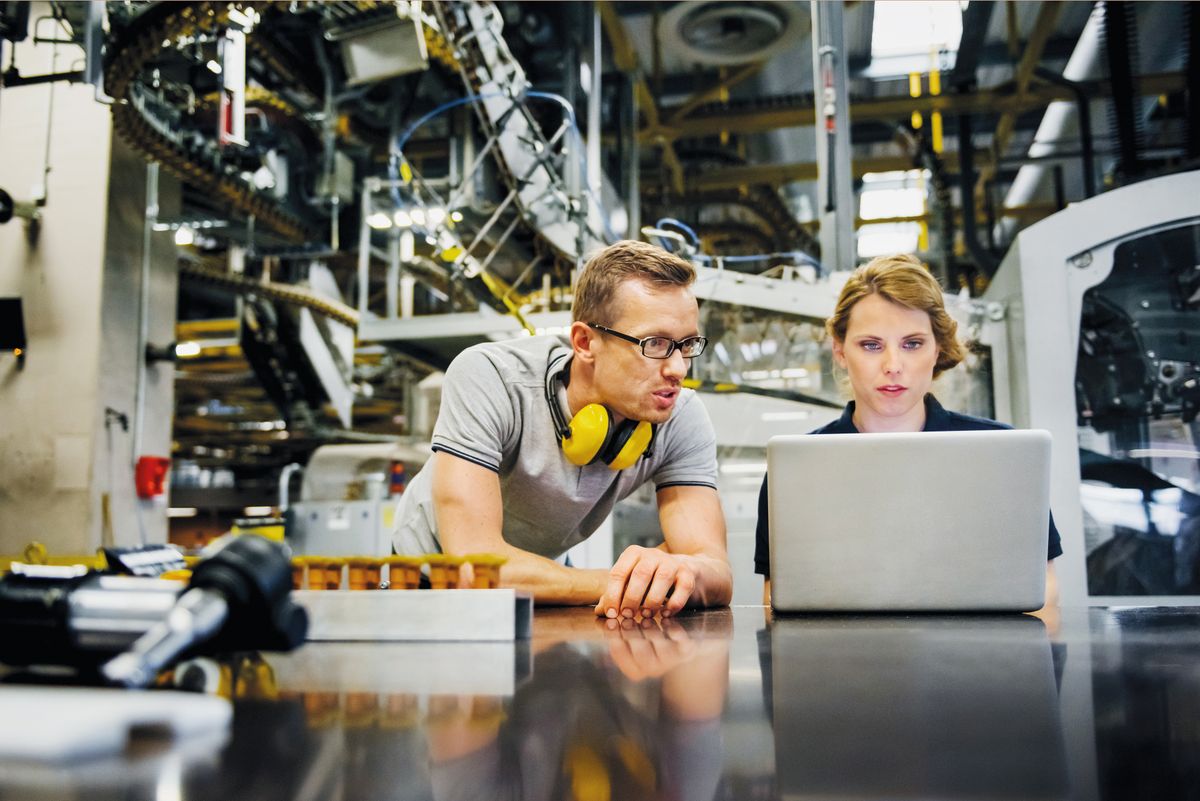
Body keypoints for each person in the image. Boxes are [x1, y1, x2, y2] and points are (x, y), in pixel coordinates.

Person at [393, 239, 733, 618]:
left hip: (545, 583)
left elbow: (715, 569)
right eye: (655, 343)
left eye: (686, 345)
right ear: (585, 342)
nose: (678, 369)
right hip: (427, 583)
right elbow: (475, 568)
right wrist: (622, 583)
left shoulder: (680, 416)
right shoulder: (491, 377)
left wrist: (684, 570)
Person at [754, 254, 1062, 607]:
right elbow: (776, 596)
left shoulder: (1005, 457)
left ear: (938, 349)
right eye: (871, 345)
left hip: (979, 658)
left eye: (912, 344)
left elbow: (1044, 588)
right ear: (839, 350)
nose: (893, 366)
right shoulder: (796, 469)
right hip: (840, 659)